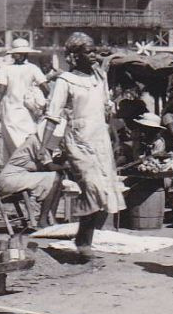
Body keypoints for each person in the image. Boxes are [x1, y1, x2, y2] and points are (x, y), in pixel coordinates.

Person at [38, 33, 124, 259]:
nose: (94, 55)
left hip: (100, 139)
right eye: (88, 51)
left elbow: (105, 111)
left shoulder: (99, 76)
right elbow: (53, 116)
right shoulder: (65, 81)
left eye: (94, 50)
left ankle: (84, 241)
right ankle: (82, 241)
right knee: (93, 187)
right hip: (77, 140)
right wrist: (44, 147)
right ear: (75, 56)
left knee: (105, 191)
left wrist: (113, 135)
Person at [0, 38, 48, 159]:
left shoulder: (6, 69)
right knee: (24, 145)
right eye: (15, 53)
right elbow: (46, 88)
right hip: (15, 114)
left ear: (25, 53)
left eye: (18, 53)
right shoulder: (32, 68)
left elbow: (0, 92)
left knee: (19, 146)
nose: (16, 55)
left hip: (22, 113)